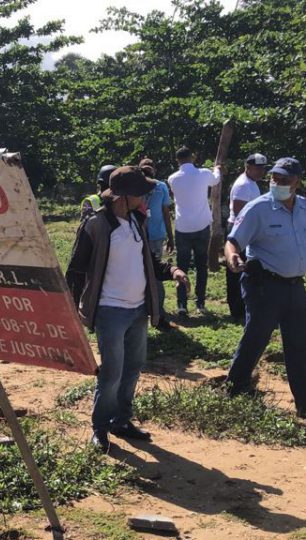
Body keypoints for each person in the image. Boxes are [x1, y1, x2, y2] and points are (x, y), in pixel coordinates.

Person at [66, 166, 189, 453]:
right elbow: (75, 270)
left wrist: (172, 270)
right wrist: (72, 312)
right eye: (142, 192)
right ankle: (99, 428)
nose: (146, 195)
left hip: (137, 311)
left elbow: (149, 261)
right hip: (110, 311)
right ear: (124, 195)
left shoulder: (137, 221)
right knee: (111, 373)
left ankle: (121, 421)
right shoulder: (96, 225)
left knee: (132, 368)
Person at [225, 157, 306, 417]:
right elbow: (232, 241)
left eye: (284, 180)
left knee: (299, 344)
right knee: (256, 337)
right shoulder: (257, 208)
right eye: (274, 178)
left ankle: (303, 402)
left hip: (295, 286)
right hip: (264, 285)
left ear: (297, 182)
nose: (277, 183)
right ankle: (235, 388)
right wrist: (232, 257)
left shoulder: (304, 208)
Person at [167, 146, 222, 317]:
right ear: (193, 157)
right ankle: (200, 303)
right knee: (201, 266)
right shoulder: (204, 173)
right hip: (201, 225)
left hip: (183, 227)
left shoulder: (172, 179)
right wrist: (217, 168)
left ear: (177, 160)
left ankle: (182, 304)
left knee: (182, 267)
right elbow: (216, 180)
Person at [226, 153, 266, 321]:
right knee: (237, 269)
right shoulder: (243, 185)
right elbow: (237, 209)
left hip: (246, 229)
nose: (261, 172)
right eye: (257, 168)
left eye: (263, 168)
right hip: (240, 229)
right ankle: (237, 310)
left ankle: (243, 306)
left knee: (245, 268)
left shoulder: (251, 183)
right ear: (247, 167)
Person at [140, 158, 175, 330]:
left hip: (155, 236)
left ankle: (157, 313)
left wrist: (171, 236)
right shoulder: (135, 188)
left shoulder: (161, 186)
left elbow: (165, 212)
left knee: (154, 276)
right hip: (139, 237)